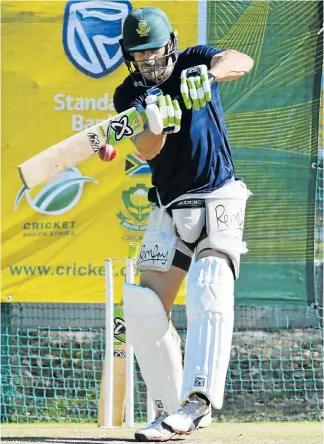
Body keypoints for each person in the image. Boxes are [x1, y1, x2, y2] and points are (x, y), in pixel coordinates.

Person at [113, 6, 254, 442]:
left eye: (155, 51)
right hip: (169, 206)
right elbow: (148, 149)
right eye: (141, 55)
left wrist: (210, 76)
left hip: (218, 195)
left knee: (208, 286)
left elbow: (240, 60)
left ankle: (198, 402)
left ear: (170, 44)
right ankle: (170, 410)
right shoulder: (128, 95)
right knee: (142, 309)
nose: (150, 61)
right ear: (128, 56)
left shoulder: (193, 60)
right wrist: (156, 121)